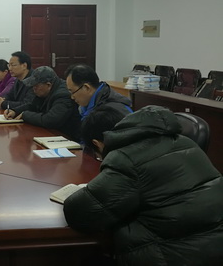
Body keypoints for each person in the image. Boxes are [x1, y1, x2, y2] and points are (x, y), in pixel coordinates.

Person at [63, 105, 223, 266]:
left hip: (172, 256)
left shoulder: (126, 158)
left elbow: (80, 214)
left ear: (97, 143)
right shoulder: (185, 142)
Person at [4, 66, 81, 140]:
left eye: (36, 86)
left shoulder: (63, 95)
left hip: (67, 139)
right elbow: (33, 105)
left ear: (48, 85)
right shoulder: (45, 91)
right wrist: (15, 111)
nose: (33, 89)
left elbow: (50, 120)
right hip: (51, 135)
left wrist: (25, 115)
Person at [64, 63, 132, 119]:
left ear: (86, 88)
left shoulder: (110, 111)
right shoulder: (87, 104)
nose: (72, 97)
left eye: (72, 92)